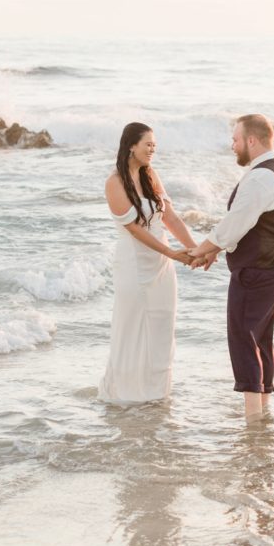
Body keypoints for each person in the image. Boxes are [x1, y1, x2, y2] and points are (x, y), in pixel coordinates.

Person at [188, 114, 274, 421]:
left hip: (258, 270)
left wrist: (202, 249)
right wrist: (214, 251)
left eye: (236, 139)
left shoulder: (262, 177)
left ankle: (253, 424)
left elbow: (235, 223)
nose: (232, 145)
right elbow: (248, 226)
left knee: (244, 339)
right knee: (260, 339)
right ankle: (262, 415)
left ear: (252, 140)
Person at [98, 122, 196, 403]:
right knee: (132, 328)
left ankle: (156, 395)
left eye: (155, 145)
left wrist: (195, 249)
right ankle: (127, 397)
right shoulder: (114, 182)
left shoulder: (151, 174)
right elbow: (135, 230)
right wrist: (173, 254)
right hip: (134, 264)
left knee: (163, 325)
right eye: (148, 144)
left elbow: (170, 218)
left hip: (161, 265)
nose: (153, 150)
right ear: (131, 145)